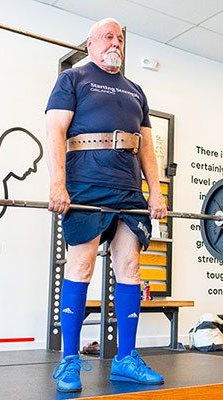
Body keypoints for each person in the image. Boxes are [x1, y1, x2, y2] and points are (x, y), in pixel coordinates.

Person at [45, 17, 168, 393]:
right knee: (80, 265)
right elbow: (55, 130)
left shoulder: (135, 90)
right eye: (107, 36)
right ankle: (69, 361)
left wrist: (156, 191)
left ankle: (125, 358)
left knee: (129, 265)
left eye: (119, 38)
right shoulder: (74, 79)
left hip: (127, 188)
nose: (115, 42)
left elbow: (146, 145)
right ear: (90, 43)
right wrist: (57, 184)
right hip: (85, 185)